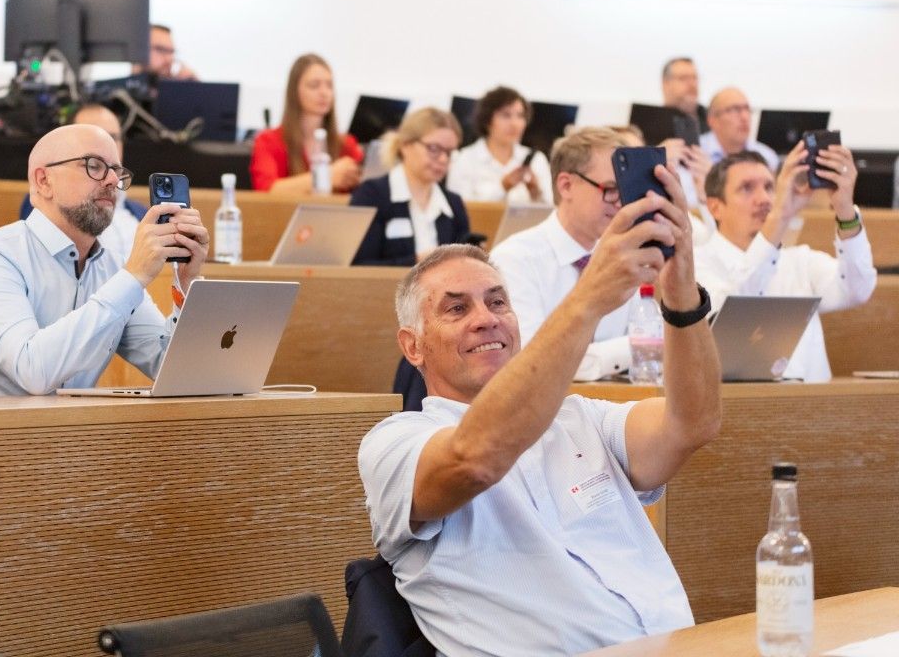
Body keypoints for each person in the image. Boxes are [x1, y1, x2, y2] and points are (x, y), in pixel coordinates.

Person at [359, 178, 721, 655]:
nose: (486, 318)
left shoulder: (579, 417)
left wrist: (681, 291)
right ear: (413, 347)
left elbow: (692, 423)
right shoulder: (395, 442)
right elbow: (475, 458)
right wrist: (589, 299)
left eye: (497, 302)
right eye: (457, 309)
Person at [0, 123, 209, 396]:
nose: (112, 181)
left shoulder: (112, 267)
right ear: (44, 181)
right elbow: (32, 371)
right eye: (94, 166)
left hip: (74, 423)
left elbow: (173, 368)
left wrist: (187, 286)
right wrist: (133, 277)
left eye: (116, 171)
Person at [695, 149, 876, 382]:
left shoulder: (800, 261)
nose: (764, 199)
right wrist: (780, 216)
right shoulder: (697, 265)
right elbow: (733, 320)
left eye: (770, 187)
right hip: (735, 401)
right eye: (747, 188)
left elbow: (858, 290)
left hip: (815, 400)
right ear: (715, 207)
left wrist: (845, 209)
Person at [490, 126, 638, 380]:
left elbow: (652, 348)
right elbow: (532, 361)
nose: (620, 203)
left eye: (626, 191)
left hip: (615, 401)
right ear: (566, 185)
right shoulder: (514, 260)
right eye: (611, 189)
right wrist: (626, 351)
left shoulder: (624, 256)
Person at [19, 103, 147, 261]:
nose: (106, 142)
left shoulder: (139, 212)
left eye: (113, 137)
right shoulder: (47, 202)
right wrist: (135, 272)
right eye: (93, 134)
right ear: (44, 181)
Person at [351, 107, 470, 266]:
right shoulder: (371, 195)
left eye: (449, 152)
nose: (443, 159)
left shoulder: (454, 204)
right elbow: (359, 266)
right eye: (434, 149)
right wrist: (419, 262)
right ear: (405, 145)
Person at [249, 53, 364, 193]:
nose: (324, 93)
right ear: (294, 91)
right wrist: (327, 176)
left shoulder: (346, 144)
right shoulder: (268, 141)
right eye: (314, 86)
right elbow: (267, 191)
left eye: (329, 85)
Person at [447, 86, 551, 203]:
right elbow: (459, 207)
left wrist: (536, 193)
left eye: (520, 116)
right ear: (487, 120)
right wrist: (503, 187)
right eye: (506, 115)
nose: (514, 123)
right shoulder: (465, 158)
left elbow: (553, 208)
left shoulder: (537, 160)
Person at [699, 87, 779, 171]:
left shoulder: (767, 157)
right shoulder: (696, 153)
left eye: (747, 109)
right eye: (735, 109)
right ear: (712, 120)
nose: (744, 117)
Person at [661, 57, 705, 131]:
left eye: (694, 78)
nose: (692, 84)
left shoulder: (714, 123)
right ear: (665, 83)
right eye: (683, 78)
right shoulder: (648, 125)